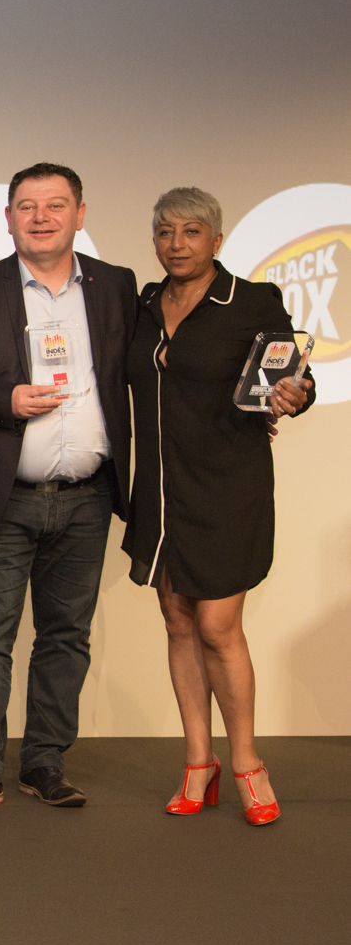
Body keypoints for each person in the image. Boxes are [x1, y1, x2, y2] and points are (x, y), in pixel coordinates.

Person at [0, 163, 137, 814]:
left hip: (89, 496)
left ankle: (45, 764)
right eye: (27, 206)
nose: (41, 217)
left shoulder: (116, 288)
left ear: (80, 214)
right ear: (8, 218)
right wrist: (2, 398)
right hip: (2, 494)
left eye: (55, 205)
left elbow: (160, 366)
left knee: (66, 637)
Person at [124, 187, 312, 826]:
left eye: (191, 232)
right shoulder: (144, 304)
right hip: (160, 489)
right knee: (178, 623)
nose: (177, 244)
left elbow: (290, 376)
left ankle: (248, 763)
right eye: (165, 232)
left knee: (217, 627)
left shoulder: (252, 302)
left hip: (229, 488)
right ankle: (197, 764)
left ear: (217, 240)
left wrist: (294, 395)